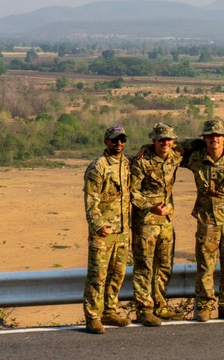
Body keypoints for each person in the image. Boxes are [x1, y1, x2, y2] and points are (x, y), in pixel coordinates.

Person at [179, 119, 224, 322]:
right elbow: (175, 148)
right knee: (205, 268)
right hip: (206, 222)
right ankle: (204, 307)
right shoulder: (196, 158)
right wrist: (146, 147)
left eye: (218, 136)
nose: (214, 139)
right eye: (210, 136)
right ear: (204, 138)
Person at [129, 122, 184, 327]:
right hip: (145, 222)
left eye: (169, 139)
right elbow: (132, 192)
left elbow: (199, 144)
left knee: (164, 265)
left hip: (166, 222)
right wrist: (150, 206)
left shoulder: (175, 156)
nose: (166, 143)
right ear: (154, 141)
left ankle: (160, 306)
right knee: (144, 266)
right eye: (161, 140)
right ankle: (144, 310)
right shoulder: (142, 161)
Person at [83, 125, 132, 334]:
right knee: (98, 275)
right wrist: (98, 225)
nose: (118, 144)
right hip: (103, 232)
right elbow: (90, 200)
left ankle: (110, 311)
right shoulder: (98, 167)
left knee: (117, 274)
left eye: (122, 140)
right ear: (106, 142)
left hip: (122, 231)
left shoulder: (127, 164)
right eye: (114, 140)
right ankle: (93, 316)